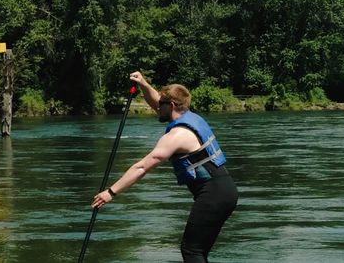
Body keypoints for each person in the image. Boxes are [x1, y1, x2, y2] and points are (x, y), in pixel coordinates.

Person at [91, 71, 238, 263]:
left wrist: (111, 192)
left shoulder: (176, 136)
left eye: (161, 105)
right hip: (224, 190)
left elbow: (142, 167)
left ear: (173, 105)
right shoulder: (190, 117)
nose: (156, 108)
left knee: (191, 250)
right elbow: (157, 102)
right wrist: (143, 83)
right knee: (198, 250)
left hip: (214, 193)